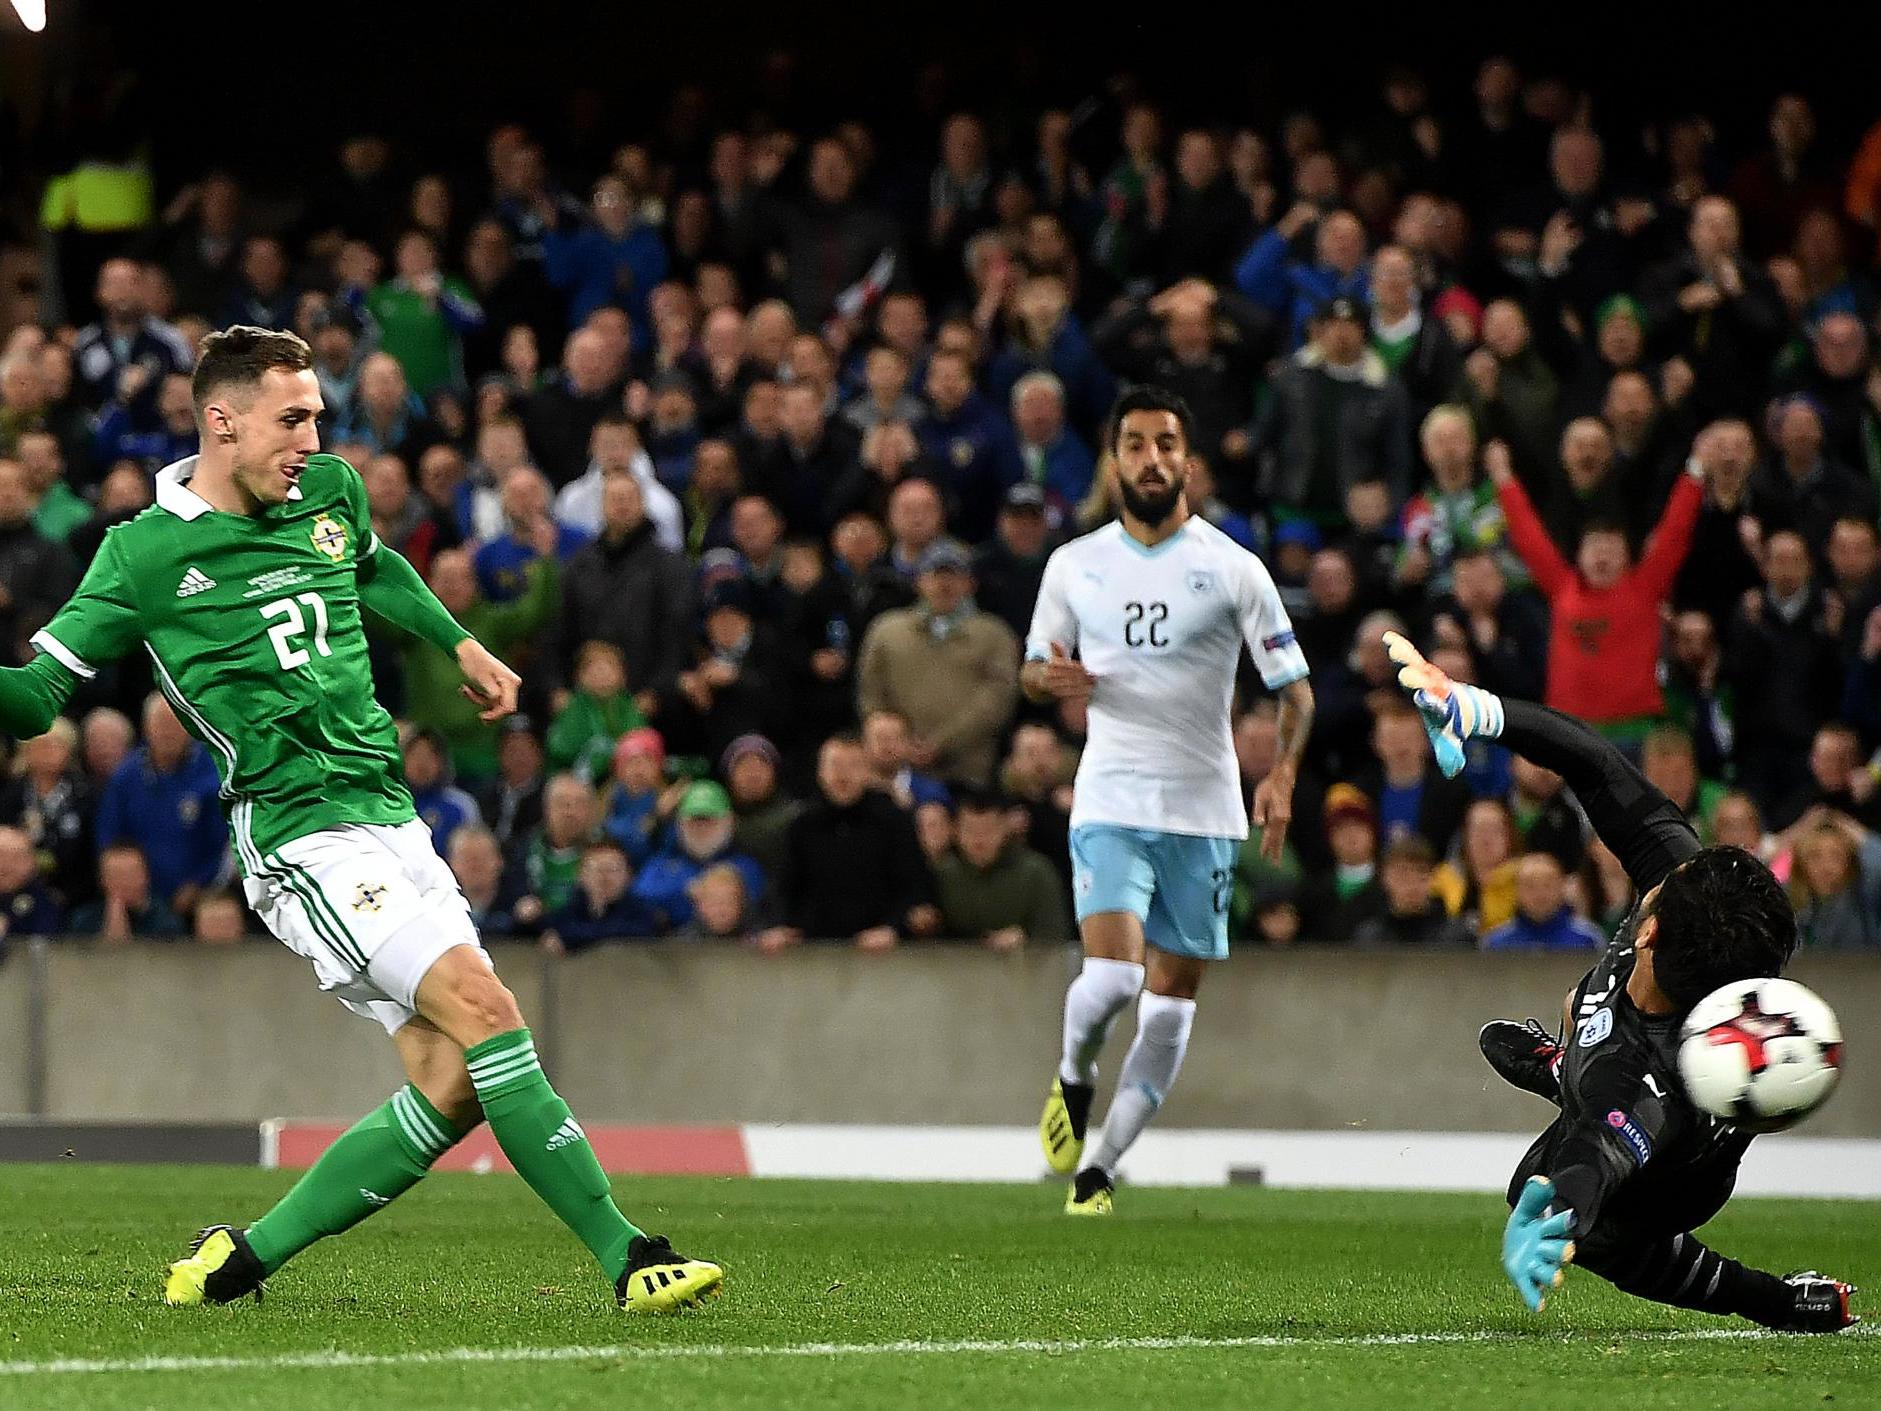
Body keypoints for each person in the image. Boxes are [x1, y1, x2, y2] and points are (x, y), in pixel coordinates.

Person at [0, 328, 718, 1311]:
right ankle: (631, 1257)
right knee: (489, 1010)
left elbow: (371, 565)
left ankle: (238, 1259)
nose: (311, 438)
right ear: (223, 421)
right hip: (301, 835)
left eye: (318, 418)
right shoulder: (144, 553)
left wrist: (459, 645)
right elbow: (40, 695)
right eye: (290, 419)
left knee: (456, 1082)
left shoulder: (328, 493)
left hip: (392, 815)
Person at [1383, 632, 1856, 1331]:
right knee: (1583, 1014)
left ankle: (1772, 1300)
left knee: (1547, 1189)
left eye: (1658, 893)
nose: (1660, 873)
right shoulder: (1705, 917)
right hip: (1650, 1068)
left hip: (1675, 1171)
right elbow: (1594, 763)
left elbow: (1597, 1154)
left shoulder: (1647, 1077)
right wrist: (1474, 709)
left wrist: (1558, 1214)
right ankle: (1560, 1065)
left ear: (1649, 931)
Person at [1025, 387, 1314, 1215]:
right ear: (1113, 461)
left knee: (1166, 1010)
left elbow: (1295, 692)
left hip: (1203, 810)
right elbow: (1030, 665)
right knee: (1113, 979)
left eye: (1165, 443)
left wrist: (1283, 773)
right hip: (1111, 795)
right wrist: (1046, 676)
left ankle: (1100, 1170)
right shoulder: (1073, 564)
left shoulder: (1231, 569)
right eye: (1135, 444)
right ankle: (1074, 1073)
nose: (1151, 458)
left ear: (1187, 460)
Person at [932, 787, 1072, 949]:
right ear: (955, 831)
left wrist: (1025, 938)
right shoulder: (942, 872)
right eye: (970, 830)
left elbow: (1056, 933)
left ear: (1005, 829)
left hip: (1024, 967)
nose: (979, 840)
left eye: (988, 831)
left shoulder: (1036, 872)